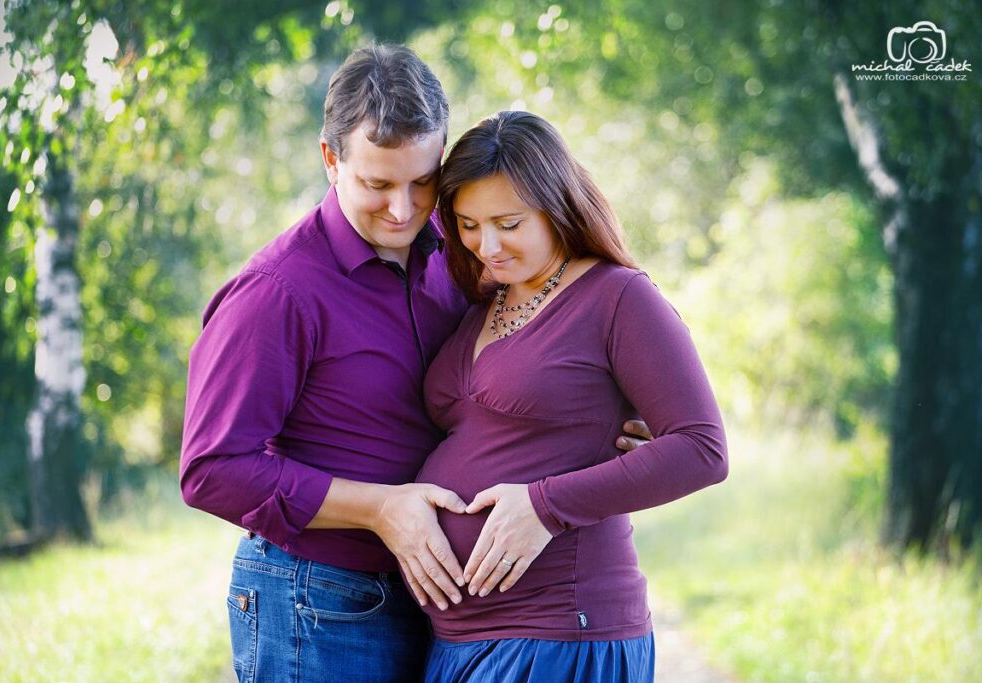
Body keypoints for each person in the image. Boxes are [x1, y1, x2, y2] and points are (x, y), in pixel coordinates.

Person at [179, 46, 651, 683]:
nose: (403, 209)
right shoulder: (278, 292)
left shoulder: (461, 261)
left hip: (442, 609)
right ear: (330, 159)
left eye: (422, 182)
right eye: (377, 184)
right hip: (320, 601)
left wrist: (612, 424)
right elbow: (212, 469)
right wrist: (378, 508)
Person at [413, 110, 729, 682]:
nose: (488, 246)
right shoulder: (485, 300)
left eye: (508, 223)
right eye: (466, 224)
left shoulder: (618, 298)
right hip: (458, 643)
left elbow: (702, 449)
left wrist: (545, 506)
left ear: (556, 203)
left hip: (560, 633)